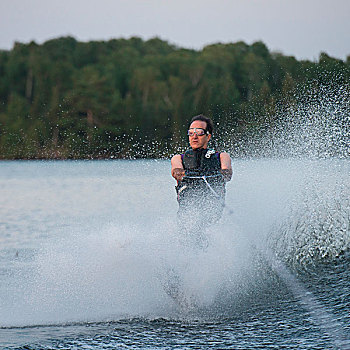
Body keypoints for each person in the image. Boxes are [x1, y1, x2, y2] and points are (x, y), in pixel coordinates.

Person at [171, 115, 232, 237]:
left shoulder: (222, 156)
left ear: (208, 136)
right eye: (191, 132)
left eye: (199, 132)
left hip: (212, 214)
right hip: (188, 215)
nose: (194, 136)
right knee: (190, 229)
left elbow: (227, 172)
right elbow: (176, 169)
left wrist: (224, 172)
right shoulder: (178, 158)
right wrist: (179, 173)